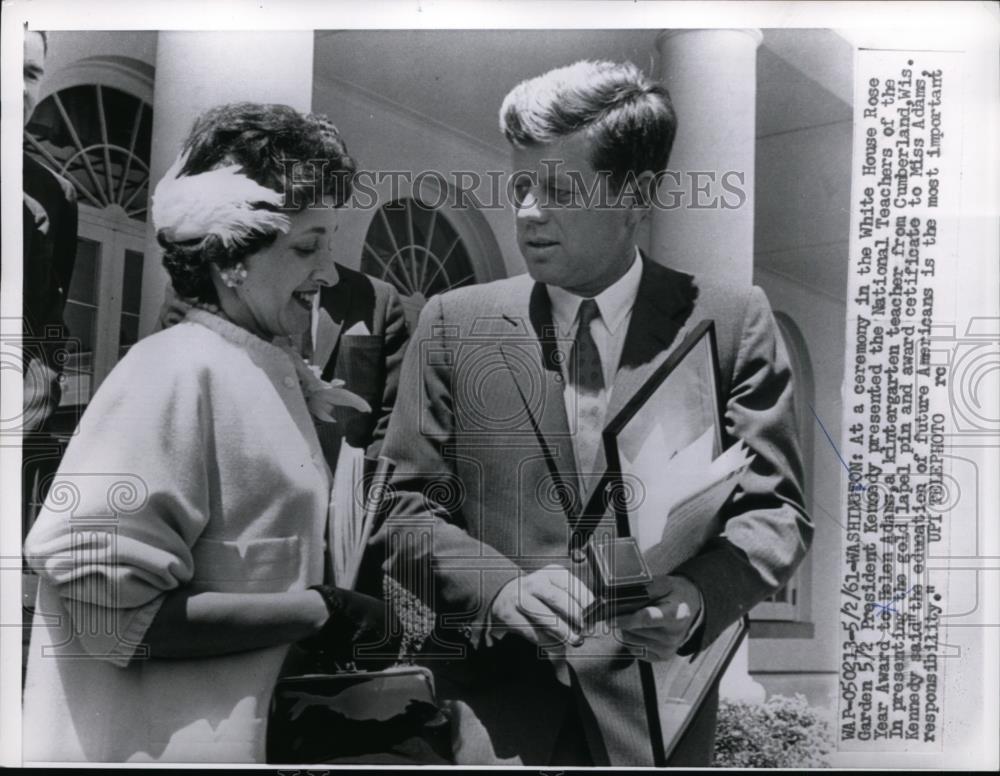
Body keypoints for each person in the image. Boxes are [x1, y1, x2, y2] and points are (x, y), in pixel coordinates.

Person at [367, 60, 812, 766]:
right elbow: (397, 510)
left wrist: (696, 598)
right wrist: (502, 588)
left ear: (636, 197)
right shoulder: (455, 324)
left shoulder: (730, 323)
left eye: (559, 189)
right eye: (520, 186)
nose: (528, 211)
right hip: (489, 720)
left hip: (653, 724)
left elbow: (777, 511)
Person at [22, 102, 392, 763]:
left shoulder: (250, 364)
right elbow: (113, 619)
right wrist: (319, 612)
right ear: (231, 260)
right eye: (306, 247)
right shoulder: (173, 369)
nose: (327, 274)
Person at [21, 30, 80, 537]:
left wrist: (31, 409)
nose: (19, 88)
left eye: (31, 74)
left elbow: (46, 328)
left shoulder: (53, 195)